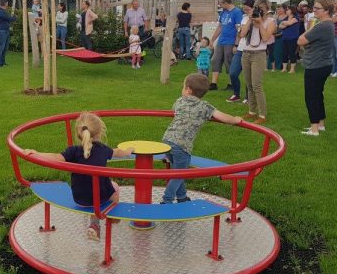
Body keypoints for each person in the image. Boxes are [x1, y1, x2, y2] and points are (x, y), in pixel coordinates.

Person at [24, 112, 134, 241]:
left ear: (79, 134)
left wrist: (37, 153)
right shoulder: (104, 149)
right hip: (100, 198)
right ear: (99, 133)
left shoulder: (73, 151)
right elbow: (118, 152)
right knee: (114, 188)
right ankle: (112, 216)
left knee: (93, 191)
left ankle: (95, 225)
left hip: (79, 198)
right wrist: (129, 150)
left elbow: (56, 157)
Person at [161, 73, 242, 204]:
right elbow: (223, 117)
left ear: (188, 89)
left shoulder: (180, 101)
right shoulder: (205, 107)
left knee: (177, 171)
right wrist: (235, 120)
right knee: (179, 174)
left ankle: (182, 197)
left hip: (167, 141)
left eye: (183, 86)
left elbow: (175, 110)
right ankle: (167, 199)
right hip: (182, 145)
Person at [298, 0, 335, 136]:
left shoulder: (322, 25)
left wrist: (310, 27)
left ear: (326, 10)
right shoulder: (328, 24)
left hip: (316, 65)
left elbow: (300, 40)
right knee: (318, 95)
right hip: (323, 64)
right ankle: (320, 125)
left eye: (317, 8)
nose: (314, 10)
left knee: (311, 96)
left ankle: (314, 129)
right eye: (314, 7)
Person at [239, 0, 275, 124]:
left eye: (261, 8)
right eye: (257, 8)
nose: (259, 10)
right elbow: (242, 35)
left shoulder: (270, 22)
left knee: (257, 85)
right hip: (246, 53)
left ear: (267, 9)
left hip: (259, 54)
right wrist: (250, 20)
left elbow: (265, 38)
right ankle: (252, 111)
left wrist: (260, 23)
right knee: (249, 84)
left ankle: (262, 115)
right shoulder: (248, 19)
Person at [209, 0, 243, 90]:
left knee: (229, 62)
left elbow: (239, 29)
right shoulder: (223, 12)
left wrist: (236, 44)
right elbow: (220, 26)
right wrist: (212, 40)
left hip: (231, 41)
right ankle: (213, 83)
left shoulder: (237, 12)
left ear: (226, 3)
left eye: (220, 4)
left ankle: (231, 83)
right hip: (221, 41)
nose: (220, 6)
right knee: (215, 60)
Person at [227, 0, 254, 103]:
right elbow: (240, 34)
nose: (245, 9)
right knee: (233, 73)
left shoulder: (256, 18)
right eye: (244, 7)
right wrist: (236, 44)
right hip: (240, 49)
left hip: (251, 50)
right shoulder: (243, 18)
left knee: (249, 76)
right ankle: (236, 94)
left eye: (247, 7)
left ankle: (248, 97)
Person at [278, 3, 301, 73]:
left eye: (288, 10)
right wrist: (286, 23)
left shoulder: (296, 17)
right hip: (285, 38)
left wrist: (284, 23)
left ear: (292, 10)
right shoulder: (286, 18)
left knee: (292, 53)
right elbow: (280, 26)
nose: (286, 11)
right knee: (284, 53)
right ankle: (284, 68)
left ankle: (292, 69)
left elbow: (289, 23)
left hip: (293, 38)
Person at [0, 0, 14, 68]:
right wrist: (14, 18)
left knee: (5, 48)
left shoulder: (4, 11)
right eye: (7, 4)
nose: (7, 5)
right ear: (5, 4)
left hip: (6, 31)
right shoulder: (0, 11)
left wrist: (12, 18)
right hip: (1, 31)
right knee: (1, 47)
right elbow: (8, 18)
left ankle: (3, 62)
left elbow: (8, 19)